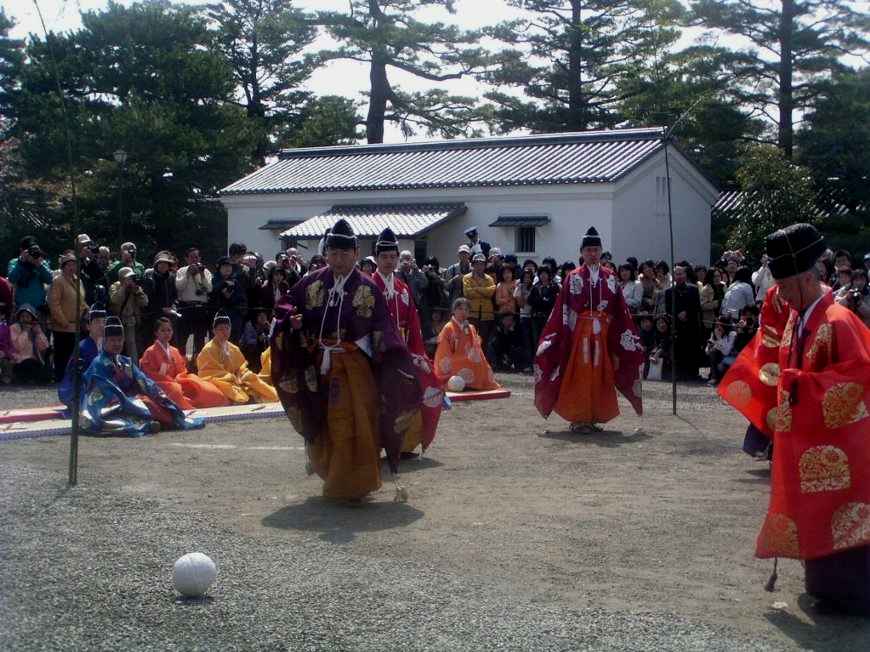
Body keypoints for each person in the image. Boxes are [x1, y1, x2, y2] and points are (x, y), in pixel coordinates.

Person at [719, 223, 870, 615]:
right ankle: (828, 588)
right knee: (815, 514)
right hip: (807, 439)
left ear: (807, 278)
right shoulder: (798, 317)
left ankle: (853, 595)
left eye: (785, 285)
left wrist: (799, 385)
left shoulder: (837, 320)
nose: (779, 294)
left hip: (843, 445)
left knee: (843, 516)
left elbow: (859, 377)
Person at [269, 219, 423, 502]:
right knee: (324, 420)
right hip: (317, 366)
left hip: (354, 366)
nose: (338, 260)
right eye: (333, 254)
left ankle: (353, 483)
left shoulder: (367, 288)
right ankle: (333, 473)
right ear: (326, 253)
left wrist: (397, 357)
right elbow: (286, 303)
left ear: (355, 253)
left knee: (355, 422)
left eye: (344, 254)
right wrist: (290, 319)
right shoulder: (312, 282)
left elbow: (384, 329)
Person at [534, 227, 643, 434]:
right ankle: (578, 417)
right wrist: (567, 334)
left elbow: (620, 310)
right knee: (580, 374)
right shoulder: (573, 277)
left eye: (596, 249)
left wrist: (613, 330)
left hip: (602, 334)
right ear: (582, 253)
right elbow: (563, 309)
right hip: (579, 335)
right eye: (588, 250)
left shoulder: (610, 277)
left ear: (601, 251)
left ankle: (594, 416)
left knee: (600, 374)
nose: (592, 254)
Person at [371, 228, 443, 456]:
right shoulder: (368, 286)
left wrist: (418, 353)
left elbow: (413, 324)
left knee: (412, 393)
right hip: (377, 354)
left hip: (403, 353)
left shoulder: (402, 288)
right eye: (384, 257)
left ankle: (403, 445)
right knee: (376, 402)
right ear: (376, 258)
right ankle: (372, 446)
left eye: (393, 257)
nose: (389, 261)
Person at [79, 317, 205, 436]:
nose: (116, 344)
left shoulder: (125, 361)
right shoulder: (99, 363)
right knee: (143, 403)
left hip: (127, 400)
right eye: (112, 340)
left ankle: (169, 421)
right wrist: (126, 400)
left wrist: (158, 394)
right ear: (104, 341)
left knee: (156, 400)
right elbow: (103, 389)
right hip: (106, 405)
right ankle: (161, 423)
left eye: (119, 340)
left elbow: (142, 380)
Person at [139, 317, 229, 409]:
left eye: (169, 330)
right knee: (175, 389)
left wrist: (180, 378)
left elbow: (182, 370)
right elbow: (149, 374)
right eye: (163, 330)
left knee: (197, 382)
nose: (166, 333)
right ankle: (187, 407)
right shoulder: (150, 352)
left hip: (177, 381)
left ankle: (218, 399)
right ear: (156, 333)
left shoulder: (174, 350)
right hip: (160, 384)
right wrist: (170, 381)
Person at [196, 312, 277, 404]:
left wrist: (242, 375)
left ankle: (258, 395)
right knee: (225, 386)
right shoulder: (208, 349)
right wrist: (231, 377)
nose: (224, 332)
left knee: (251, 378)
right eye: (221, 329)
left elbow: (241, 367)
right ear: (214, 331)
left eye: (227, 328)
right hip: (219, 381)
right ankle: (243, 398)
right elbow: (209, 372)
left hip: (235, 380)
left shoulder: (233, 348)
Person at [434, 297, 499, 390]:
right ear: (454, 310)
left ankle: (474, 384)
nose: (463, 312)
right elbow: (443, 350)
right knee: (460, 364)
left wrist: (474, 353)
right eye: (460, 309)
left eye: (466, 310)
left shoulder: (470, 327)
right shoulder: (448, 328)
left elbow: (475, 346)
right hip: (451, 358)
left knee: (480, 362)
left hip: (468, 357)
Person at [48, 251, 88, 382]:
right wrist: (63, 322)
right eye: (69, 264)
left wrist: (87, 312)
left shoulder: (79, 281)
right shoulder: (58, 281)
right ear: (63, 267)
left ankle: (72, 379)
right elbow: (54, 304)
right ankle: (60, 379)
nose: (72, 267)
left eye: (74, 264)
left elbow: (81, 301)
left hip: (77, 326)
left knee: (74, 355)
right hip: (63, 327)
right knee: (62, 355)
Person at [58, 305, 107, 409]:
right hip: (76, 390)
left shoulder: (105, 346)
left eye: (104, 322)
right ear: (88, 326)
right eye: (97, 322)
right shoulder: (83, 347)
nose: (101, 325)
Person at [664, 265, 704, 382]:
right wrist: (677, 314)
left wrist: (687, 313)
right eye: (677, 274)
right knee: (678, 350)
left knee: (692, 349)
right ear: (674, 276)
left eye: (681, 274)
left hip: (691, 324)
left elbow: (697, 307)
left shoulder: (693, 289)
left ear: (685, 275)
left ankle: (693, 373)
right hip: (677, 325)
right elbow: (668, 309)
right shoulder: (668, 292)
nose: (679, 276)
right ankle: (679, 374)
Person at [175, 247, 213, 364]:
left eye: (196, 257)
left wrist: (201, 274)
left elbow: (209, 289)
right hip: (186, 307)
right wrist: (188, 273)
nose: (194, 260)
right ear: (186, 259)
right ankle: (181, 363)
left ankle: (197, 364)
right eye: (192, 257)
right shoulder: (181, 271)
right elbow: (179, 287)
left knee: (200, 339)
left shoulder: (205, 271)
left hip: (201, 308)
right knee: (182, 338)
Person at [109, 266, 149, 362]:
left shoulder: (135, 288)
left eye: (131, 278)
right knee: (117, 346)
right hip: (118, 321)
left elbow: (145, 302)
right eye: (128, 278)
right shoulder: (115, 286)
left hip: (130, 321)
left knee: (132, 347)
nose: (131, 280)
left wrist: (138, 292)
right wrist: (123, 287)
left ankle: (134, 368)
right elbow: (115, 300)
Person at [462, 253, 496, 355]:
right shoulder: (467, 278)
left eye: (481, 264)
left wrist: (476, 289)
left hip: (486, 315)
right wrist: (483, 291)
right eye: (477, 264)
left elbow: (491, 292)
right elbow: (467, 293)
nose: (479, 266)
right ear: (473, 265)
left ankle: (482, 363)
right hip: (472, 314)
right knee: (469, 339)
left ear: (485, 265)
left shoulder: (489, 279)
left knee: (484, 340)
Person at [8, 304, 50, 383]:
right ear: (19, 317)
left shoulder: (34, 328)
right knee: (28, 364)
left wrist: (39, 333)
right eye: (22, 316)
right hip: (18, 361)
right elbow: (17, 346)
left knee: (45, 374)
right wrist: (25, 331)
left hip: (33, 360)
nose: (25, 319)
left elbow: (44, 347)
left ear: (32, 318)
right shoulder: (14, 328)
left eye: (27, 317)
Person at [143, 251, 178, 346]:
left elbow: (174, 295)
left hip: (169, 315)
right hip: (154, 316)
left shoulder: (171, 278)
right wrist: (161, 308)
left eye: (165, 263)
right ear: (156, 264)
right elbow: (147, 300)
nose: (163, 266)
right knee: (154, 342)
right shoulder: (150, 279)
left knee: (171, 341)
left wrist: (173, 306)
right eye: (160, 263)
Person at [210, 256, 247, 343]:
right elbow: (211, 295)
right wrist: (222, 286)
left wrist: (231, 298)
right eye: (225, 266)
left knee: (234, 346)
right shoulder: (213, 280)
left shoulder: (236, 282)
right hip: (218, 319)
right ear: (219, 267)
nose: (228, 268)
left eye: (230, 266)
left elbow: (242, 300)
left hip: (234, 320)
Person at [8, 242, 52, 313]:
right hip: (21, 308)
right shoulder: (15, 263)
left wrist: (38, 265)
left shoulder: (41, 262)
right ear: (22, 251)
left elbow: (49, 280)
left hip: (39, 307)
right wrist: (21, 263)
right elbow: (12, 279)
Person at [528, 267, 558, 346]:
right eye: (541, 274)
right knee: (536, 339)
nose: (543, 275)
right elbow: (530, 301)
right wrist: (543, 300)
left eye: (545, 273)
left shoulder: (554, 287)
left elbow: (553, 302)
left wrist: (541, 301)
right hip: (536, 317)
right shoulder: (535, 287)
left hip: (548, 317)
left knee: (547, 339)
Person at [705, 319, 735, 386]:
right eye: (716, 325)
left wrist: (719, 338)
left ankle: (719, 377)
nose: (718, 328)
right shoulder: (714, 332)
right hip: (719, 356)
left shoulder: (732, 334)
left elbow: (726, 352)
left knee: (720, 365)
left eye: (720, 325)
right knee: (712, 352)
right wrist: (708, 348)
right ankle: (713, 377)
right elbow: (708, 346)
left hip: (730, 357)